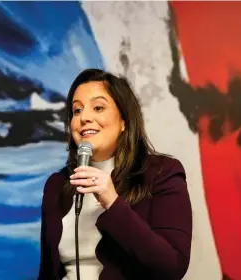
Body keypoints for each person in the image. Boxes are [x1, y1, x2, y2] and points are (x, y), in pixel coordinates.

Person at [38, 69, 193, 280]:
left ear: (124, 122)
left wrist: (113, 202)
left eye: (98, 108)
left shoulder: (162, 173)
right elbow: (47, 272)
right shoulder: (57, 185)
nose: (85, 118)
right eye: (77, 111)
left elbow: (172, 267)